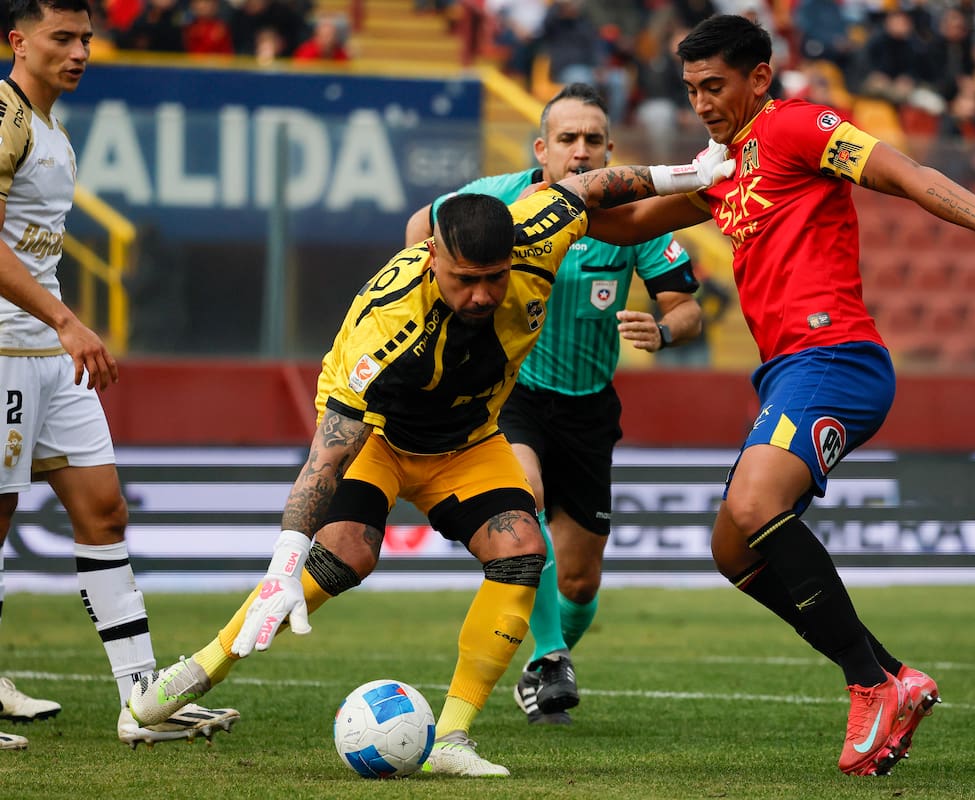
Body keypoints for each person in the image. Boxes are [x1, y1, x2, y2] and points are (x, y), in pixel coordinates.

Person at [586, 13, 975, 777]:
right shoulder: (722, 167)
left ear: (759, 77)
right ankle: (890, 676)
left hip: (836, 357)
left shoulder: (797, 127)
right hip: (787, 371)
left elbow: (909, 175)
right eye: (691, 90)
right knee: (731, 548)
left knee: (757, 509)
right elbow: (621, 225)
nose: (702, 103)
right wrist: (545, 201)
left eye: (714, 86)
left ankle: (869, 682)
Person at [125, 151, 733, 775]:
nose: (481, 295)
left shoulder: (537, 233)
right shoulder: (386, 323)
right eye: (464, 278)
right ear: (433, 256)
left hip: (467, 440)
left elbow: (590, 185)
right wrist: (284, 564)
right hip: (379, 442)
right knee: (347, 556)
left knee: (522, 550)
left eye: (494, 279)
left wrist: (690, 176)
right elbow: (326, 459)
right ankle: (194, 672)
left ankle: (450, 741)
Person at [405, 83, 703, 726]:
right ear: (542, 149)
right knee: (524, 499)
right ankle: (551, 654)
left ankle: (545, 660)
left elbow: (688, 308)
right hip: (513, 394)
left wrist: (664, 329)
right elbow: (421, 226)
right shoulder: (500, 201)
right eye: (567, 139)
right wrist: (423, 289)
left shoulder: (630, 219)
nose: (581, 150)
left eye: (593, 139)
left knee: (579, 583)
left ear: (611, 150)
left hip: (591, 406)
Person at [0, 0, 238, 751]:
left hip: (49, 355)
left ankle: (141, 699)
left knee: (104, 511)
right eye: (62, 38)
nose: (79, 51)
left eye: (87, 38)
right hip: (9, 349)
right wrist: (67, 320)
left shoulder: (51, 128)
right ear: (18, 41)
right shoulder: (3, 117)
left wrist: (60, 327)